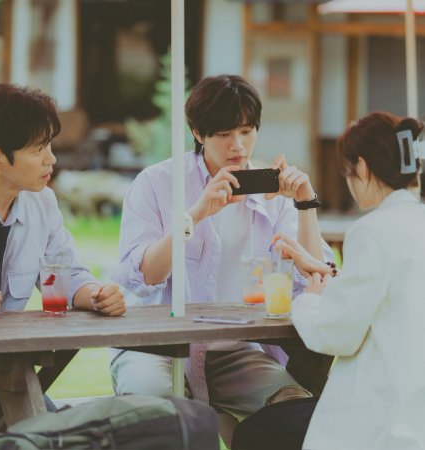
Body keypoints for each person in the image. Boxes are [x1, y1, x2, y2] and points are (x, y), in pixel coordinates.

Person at [110, 74, 333, 423]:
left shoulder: (271, 191)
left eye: (246, 131)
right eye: (225, 134)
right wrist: (195, 215)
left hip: (237, 351)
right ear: (199, 134)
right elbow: (143, 276)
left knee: (294, 409)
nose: (238, 146)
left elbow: (316, 278)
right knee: (160, 416)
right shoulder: (157, 183)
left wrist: (305, 203)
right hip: (155, 347)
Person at [232, 111, 425, 450]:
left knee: (253, 432)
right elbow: (387, 297)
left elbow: (336, 334)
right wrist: (323, 271)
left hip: (381, 416)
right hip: (414, 412)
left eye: (347, 173)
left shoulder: (372, 230)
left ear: (361, 167)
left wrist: (309, 299)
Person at [0, 83, 126, 435]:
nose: (51, 160)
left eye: (50, 146)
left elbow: (67, 274)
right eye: (38, 149)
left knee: (53, 434)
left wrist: (96, 295)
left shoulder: (41, 203)